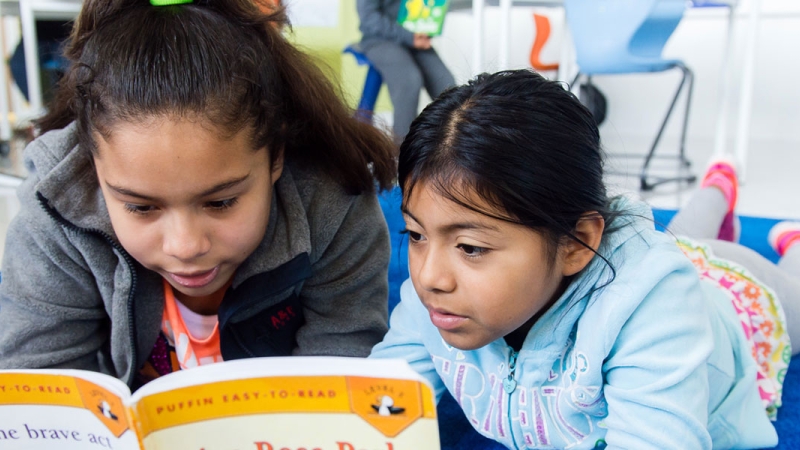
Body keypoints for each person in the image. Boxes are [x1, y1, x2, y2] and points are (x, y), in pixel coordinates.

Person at [370, 69, 798, 449]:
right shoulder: (440, 297)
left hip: (742, 301)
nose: (428, 277)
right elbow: (371, 403)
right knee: (682, 237)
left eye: (470, 247)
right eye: (416, 235)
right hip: (650, 262)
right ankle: (718, 189)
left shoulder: (655, 305)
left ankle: (784, 236)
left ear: (575, 242)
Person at [0, 0, 397, 390]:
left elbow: (336, 387)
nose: (185, 247)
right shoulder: (56, 209)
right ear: (94, 169)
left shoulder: (332, 204)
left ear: (275, 157)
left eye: (221, 202)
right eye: (140, 207)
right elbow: (43, 390)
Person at [356, 0, 456, 143]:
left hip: (413, 37)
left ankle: (452, 146)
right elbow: (369, 17)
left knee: (447, 84)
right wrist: (409, 37)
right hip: (380, 39)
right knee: (409, 82)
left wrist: (428, 28)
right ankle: (401, 151)